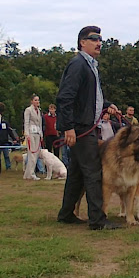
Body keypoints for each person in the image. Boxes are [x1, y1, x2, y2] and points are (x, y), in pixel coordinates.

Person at [56, 25, 120, 230]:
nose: (99, 43)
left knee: (76, 173)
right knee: (93, 172)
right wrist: (68, 128)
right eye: (94, 39)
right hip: (81, 128)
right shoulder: (78, 64)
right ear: (82, 42)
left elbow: (89, 98)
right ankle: (97, 220)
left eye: (100, 39)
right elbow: (65, 98)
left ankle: (66, 214)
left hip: (85, 127)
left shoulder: (90, 65)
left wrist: (107, 105)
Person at [23, 95, 43, 181]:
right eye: (35, 100)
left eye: (38, 100)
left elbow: (40, 124)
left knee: (36, 154)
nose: (37, 102)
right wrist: (26, 134)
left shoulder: (39, 111)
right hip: (30, 133)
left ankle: (28, 174)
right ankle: (31, 173)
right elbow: (26, 122)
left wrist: (41, 134)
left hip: (37, 133)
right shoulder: (28, 110)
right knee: (31, 153)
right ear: (31, 101)